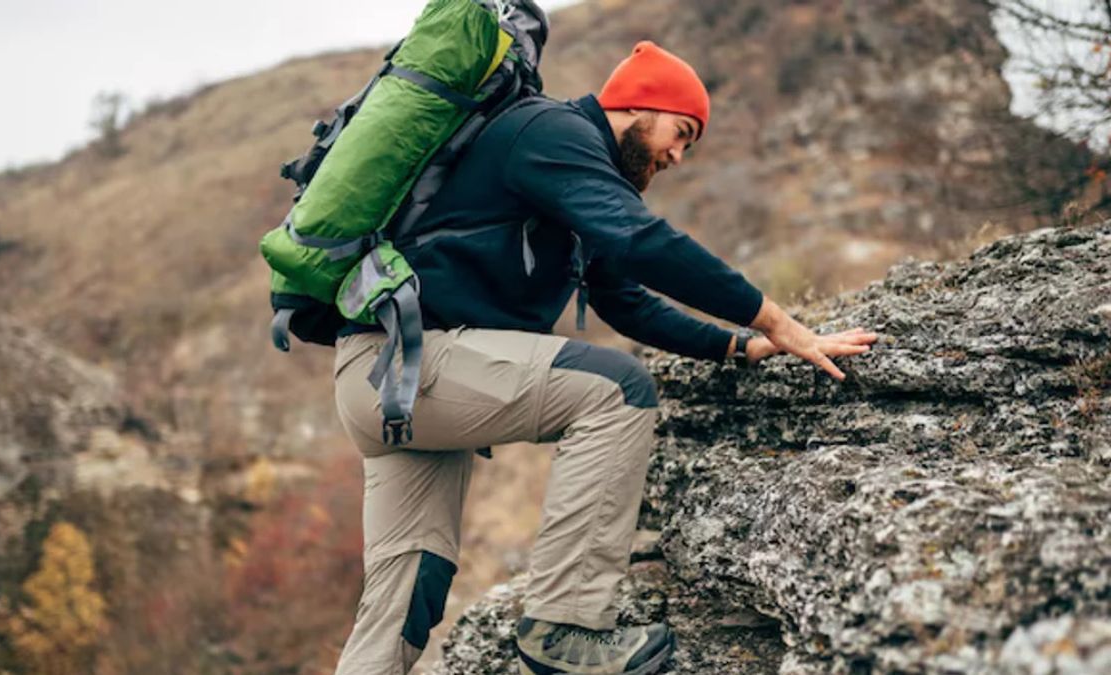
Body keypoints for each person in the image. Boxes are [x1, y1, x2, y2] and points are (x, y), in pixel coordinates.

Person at [331, 40, 878, 675]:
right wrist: (781, 322)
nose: (678, 154)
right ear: (639, 106)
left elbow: (628, 301)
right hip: (408, 365)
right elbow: (645, 242)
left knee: (403, 599)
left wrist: (736, 344)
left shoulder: (571, 180)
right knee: (615, 389)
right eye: (681, 133)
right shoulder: (551, 131)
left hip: (388, 384)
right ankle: (564, 627)